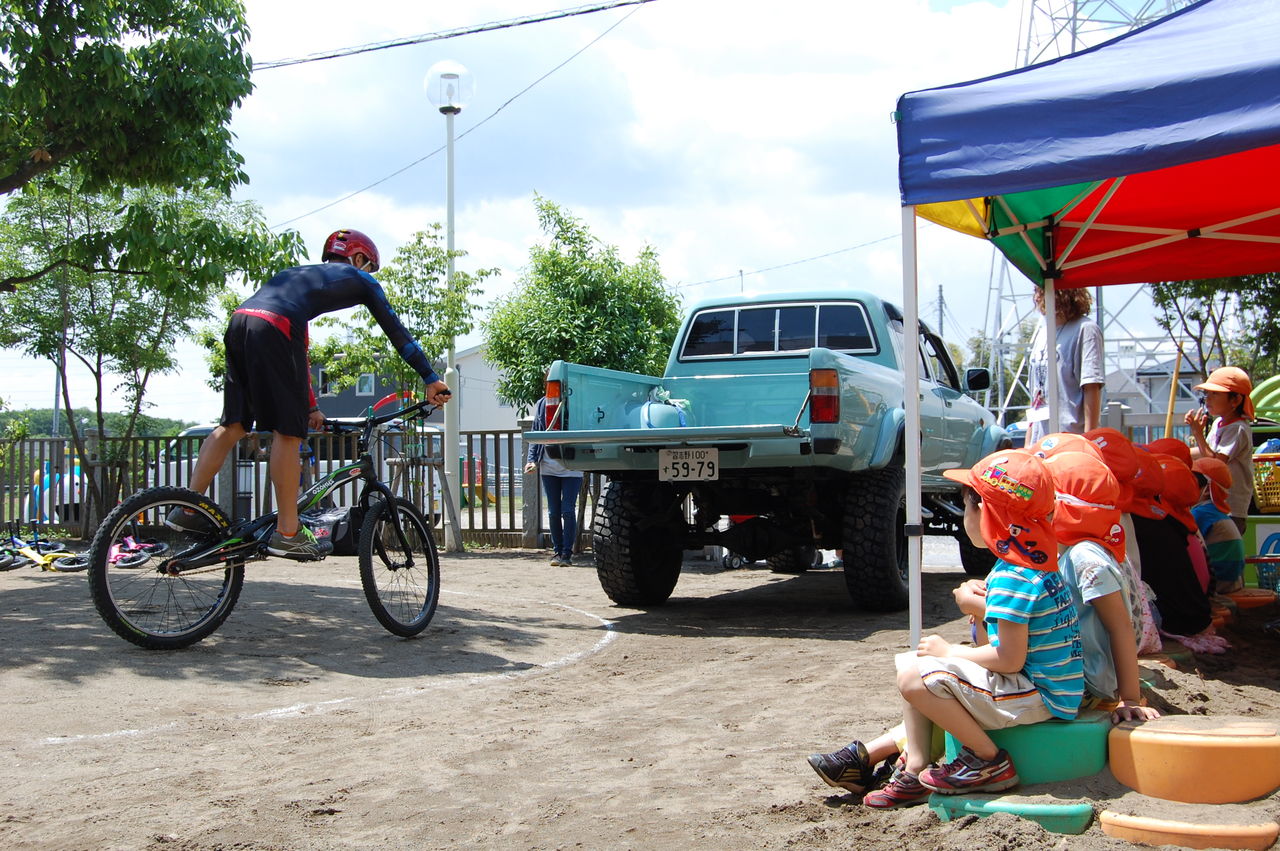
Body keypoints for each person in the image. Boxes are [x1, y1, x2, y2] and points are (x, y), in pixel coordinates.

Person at [169, 229, 451, 559]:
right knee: (288, 434)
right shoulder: (360, 279)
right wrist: (430, 377)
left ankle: (187, 508)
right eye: (369, 267)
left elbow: (298, 351)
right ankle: (288, 532)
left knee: (233, 426)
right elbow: (397, 331)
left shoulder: (293, 278)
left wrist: (311, 406)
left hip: (241, 320)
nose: (368, 273)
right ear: (359, 258)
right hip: (276, 327)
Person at [859, 450, 1082, 808]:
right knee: (914, 664)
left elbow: (1008, 659)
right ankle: (916, 768)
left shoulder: (1013, 577)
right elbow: (1000, 637)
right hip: (1049, 687)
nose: (965, 515)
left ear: (986, 513)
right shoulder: (1031, 562)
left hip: (1040, 694)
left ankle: (987, 760)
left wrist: (951, 651)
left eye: (967, 506)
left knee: (915, 677)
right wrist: (981, 607)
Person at [1041, 451, 1160, 722]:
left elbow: (1120, 627)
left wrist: (1129, 699)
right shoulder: (1081, 548)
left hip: (1083, 682)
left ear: (1058, 506)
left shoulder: (1085, 557)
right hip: (1078, 674)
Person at [1025, 286, 1105, 446]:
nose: (1036, 298)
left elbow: (1091, 386)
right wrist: (1028, 443)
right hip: (1040, 443)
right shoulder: (1042, 333)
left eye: (1039, 291)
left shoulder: (1086, 329)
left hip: (1071, 440)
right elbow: (1036, 396)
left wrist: (1088, 442)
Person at [1185, 366, 1256, 534]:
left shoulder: (1238, 428)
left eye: (1215, 393)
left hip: (1231, 508)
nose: (1208, 398)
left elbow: (1216, 464)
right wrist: (1174, 454)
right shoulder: (1219, 423)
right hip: (1214, 503)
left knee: (1220, 546)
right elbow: (1205, 451)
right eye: (1207, 393)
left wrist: (1198, 433)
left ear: (1235, 400)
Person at [525, 388, 585, 566]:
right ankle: (557, 552)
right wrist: (531, 460)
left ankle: (567, 554)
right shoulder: (542, 403)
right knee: (553, 512)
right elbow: (537, 430)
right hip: (548, 466)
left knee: (568, 510)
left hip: (572, 466)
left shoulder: (574, 402)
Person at [1191, 457, 1246, 595]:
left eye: (1191, 481)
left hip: (1218, 585)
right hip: (1232, 583)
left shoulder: (1201, 513)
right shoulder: (1216, 512)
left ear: (1206, 490)